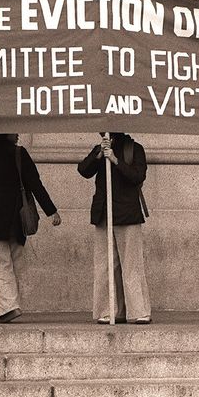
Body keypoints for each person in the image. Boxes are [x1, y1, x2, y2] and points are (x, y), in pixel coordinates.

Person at [0, 134, 61, 323]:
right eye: (13, 129)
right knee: (14, 262)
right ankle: (8, 307)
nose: (18, 133)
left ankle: (8, 306)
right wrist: (51, 211)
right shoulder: (19, 153)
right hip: (14, 218)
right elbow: (35, 184)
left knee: (0, 262)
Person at [78, 132, 150, 324]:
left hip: (127, 214)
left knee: (131, 265)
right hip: (104, 215)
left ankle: (139, 311)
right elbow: (83, 170)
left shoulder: (134, 149)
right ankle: (108, 310)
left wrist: (116, 161)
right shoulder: (99, 149)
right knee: (105, 266)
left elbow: (137, 176)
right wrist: (100, 154)